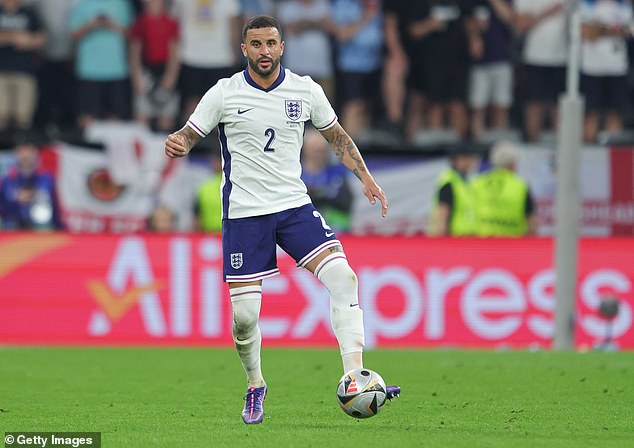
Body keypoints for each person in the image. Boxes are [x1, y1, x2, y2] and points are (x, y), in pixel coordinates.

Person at [164, 15, 400, 425]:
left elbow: (338, 139)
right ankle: (255, 385)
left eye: (271, 43)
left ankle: (355, 375)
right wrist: (179, 142)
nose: (265, 51)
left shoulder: (306, 90)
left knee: (344, 278)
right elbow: (190, 131)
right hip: (244, 214)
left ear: (282, 46)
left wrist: (365, 178)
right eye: (256, 44)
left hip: (293, 206)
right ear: (244, 50)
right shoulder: (224, 93)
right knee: (245, 318)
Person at [69, 0, 134, 130]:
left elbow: (132, 33)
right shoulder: (82, 5)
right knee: (86, 118)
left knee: (116, 117)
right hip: (89, 70)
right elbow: (73, 35)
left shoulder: (121, 4)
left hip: (117, 69)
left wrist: (111, 24)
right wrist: (91, 25)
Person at [579, 0, 633, 143]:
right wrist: (614, 30)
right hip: (592, 67)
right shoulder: (587, 5)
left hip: (617, 68)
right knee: (591, 114)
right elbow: (586, 32)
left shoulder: (624, 6)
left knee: (615, 114)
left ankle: (615, 153)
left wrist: (600, 30)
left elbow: (629, 31)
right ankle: (588, 153)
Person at [513, 0, 567, 142]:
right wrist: (547, 12)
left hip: (563, 57)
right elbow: (521, 25)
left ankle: (562, 145)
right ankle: (533, 143)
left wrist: (534, 17)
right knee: (534, 104)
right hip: (535, 57)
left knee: (560, 106)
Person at [129, 0, 181, 133]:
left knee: (166, 117)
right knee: (142, 115)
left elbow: (174, 51)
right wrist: (136, 76)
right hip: (146, 70)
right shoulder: (140, 22)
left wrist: (171, 76)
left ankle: (165, 150)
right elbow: (135, 51)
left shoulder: (170, 22)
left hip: (164, 70)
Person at [467, 0, 515, 140]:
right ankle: (478, 140)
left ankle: (500, 142)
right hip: (479, 62)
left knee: (501, 104)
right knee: (478, 105)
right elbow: (467, 20)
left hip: (502, 58)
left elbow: (509, 17)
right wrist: (474, 34)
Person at [471, 141, 537, 236]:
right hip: (512, 244)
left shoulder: (478, 183)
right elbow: (532, 222)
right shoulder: (520, 186)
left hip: (481, 244)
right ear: (512, 164)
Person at [0, 0, 46, 136]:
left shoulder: (29, 13)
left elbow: (42, 38)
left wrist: (29, 41)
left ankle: (21, 148)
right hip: (1, 71)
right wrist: (12, 37)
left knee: (23, 118)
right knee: (1, 115)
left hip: (25, 71)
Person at [0, 136, 62, 230]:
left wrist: (32, 195)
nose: (26, 155)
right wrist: (16, 198)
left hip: (39, 226)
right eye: (22, 151)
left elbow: (53, 204)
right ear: (17, 153)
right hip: (12, 226)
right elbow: (4, 207)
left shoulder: (46, 178)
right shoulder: (7, 180)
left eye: (30, 151)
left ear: (36, 153)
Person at [301, 127, 353, 233]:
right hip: (302, 225)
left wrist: (316, 195)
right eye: (314, 149)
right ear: (305, 149)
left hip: (334, 227)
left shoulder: (337, 172)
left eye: (321, 149)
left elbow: (346, 201)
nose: (318, 153)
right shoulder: (294, 173)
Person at [427, 144, 479, 236]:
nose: (474, 161)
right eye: (470, 158)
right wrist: (443, 243)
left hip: (465, 238)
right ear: (460, 160)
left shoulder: (466, 181)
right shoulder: (449, 182)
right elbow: (442, 216)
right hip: (454, 239)